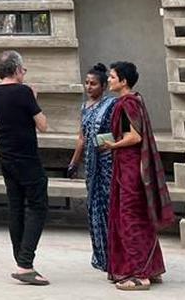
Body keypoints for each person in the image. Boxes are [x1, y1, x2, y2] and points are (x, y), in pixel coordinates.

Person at [101, 61, 174, 291]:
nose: (109, 80)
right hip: (128, 166)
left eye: (112, 77)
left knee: (130, 219)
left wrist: (113, 145)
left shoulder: (128, 103)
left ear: (123, 81)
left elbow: (135, 136)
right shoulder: (130, 101)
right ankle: (151, 268)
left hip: (130, 169)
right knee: (137, 218)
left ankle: (140, 275)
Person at [0, 50, 50, 286]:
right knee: (37, 206)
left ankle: (20, 260)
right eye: (23, 70)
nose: (24, 73)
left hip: (5, 157)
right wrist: (34, 99)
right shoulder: (23, 92)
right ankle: (25, 263)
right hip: (26, 158)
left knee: (16, 207)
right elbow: (42, 125)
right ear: (16, 70)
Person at [67, 63, 117, 273]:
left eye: (93, 84)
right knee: (94, 208)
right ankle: (101, 256)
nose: (89, 87)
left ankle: (116, 256)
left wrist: (106, 144)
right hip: (91, 164)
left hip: (108, 162)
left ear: (103, 86)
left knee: (108, 208)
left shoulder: (111, 105)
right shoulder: (84, 106)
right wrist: (73, 162)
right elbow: (82, 138)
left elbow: (118, 133)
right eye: (86, 83)